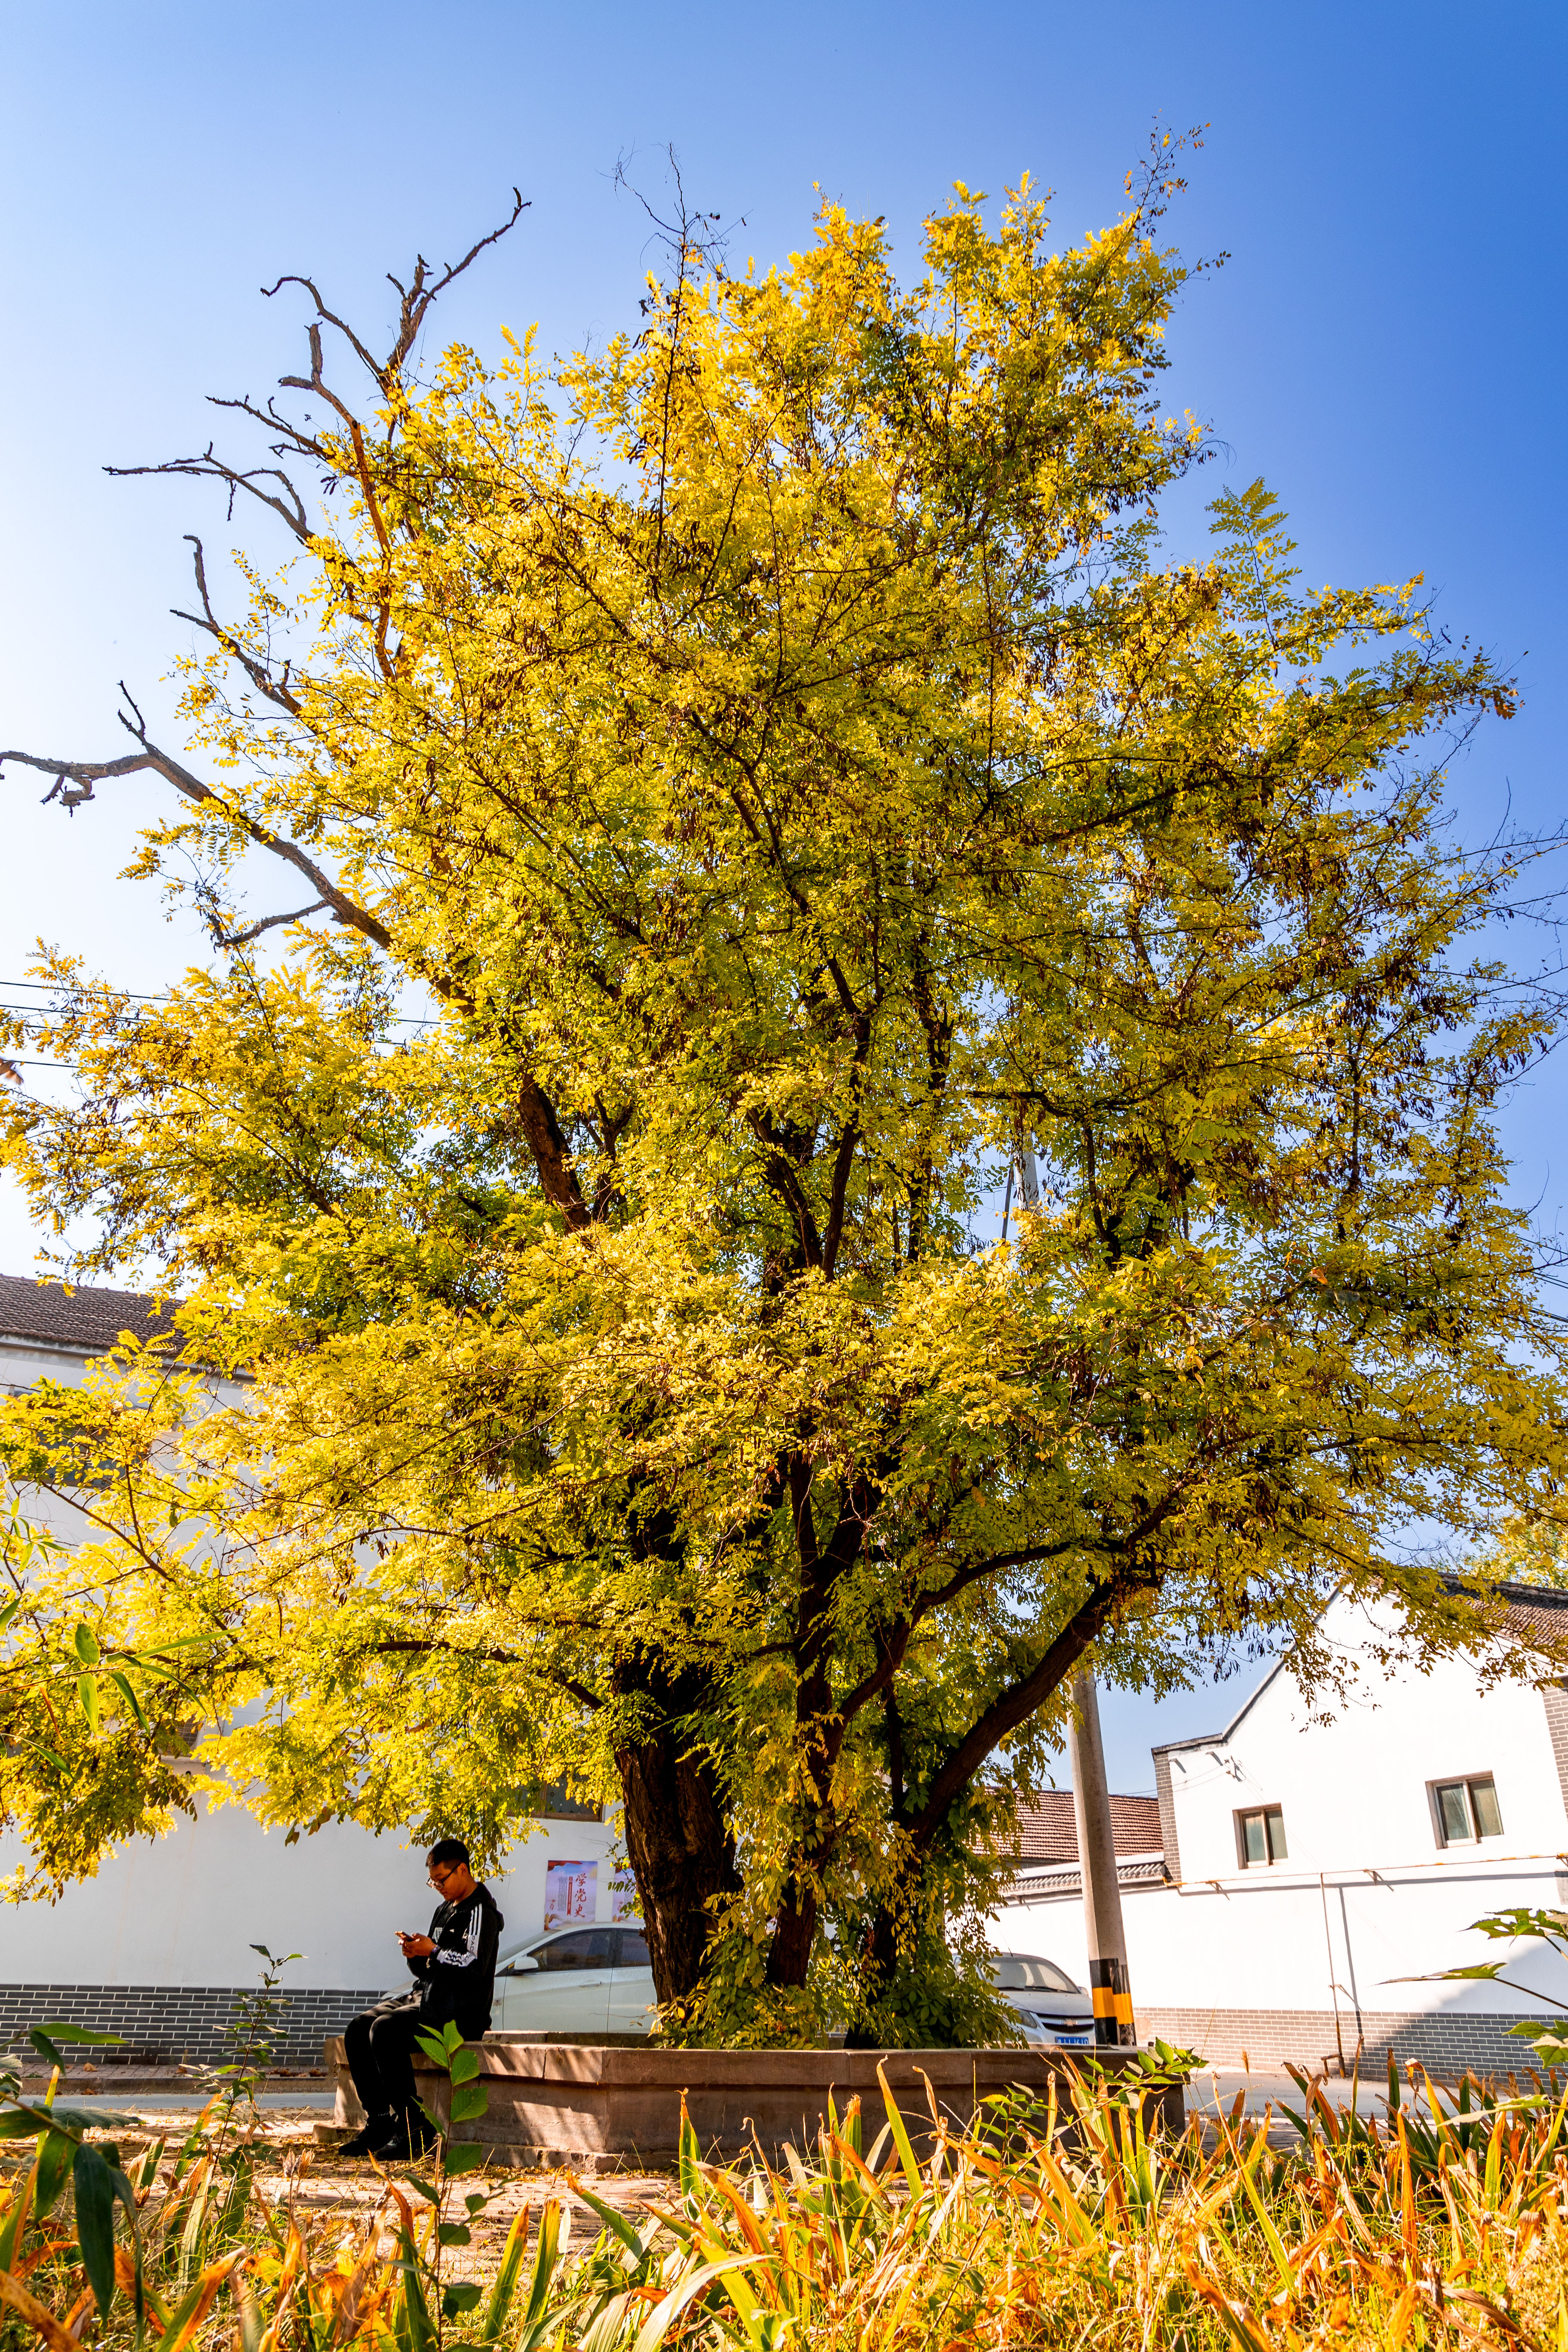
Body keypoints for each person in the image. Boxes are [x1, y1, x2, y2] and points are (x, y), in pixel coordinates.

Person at [339, 1839, 505, 2160]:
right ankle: (380, 2123)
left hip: (459, 2012)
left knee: (385, 2031)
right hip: (428, 1996)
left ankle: (414, 2130)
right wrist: (416, 1954)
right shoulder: (444, 1909)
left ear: (463, 1870)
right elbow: (431, 1965)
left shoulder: (481, 1911)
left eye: (442, 1879)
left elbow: (474, 1966)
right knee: (359, 2029)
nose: (438, 1887)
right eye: (433, 1881)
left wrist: (435, 1950)